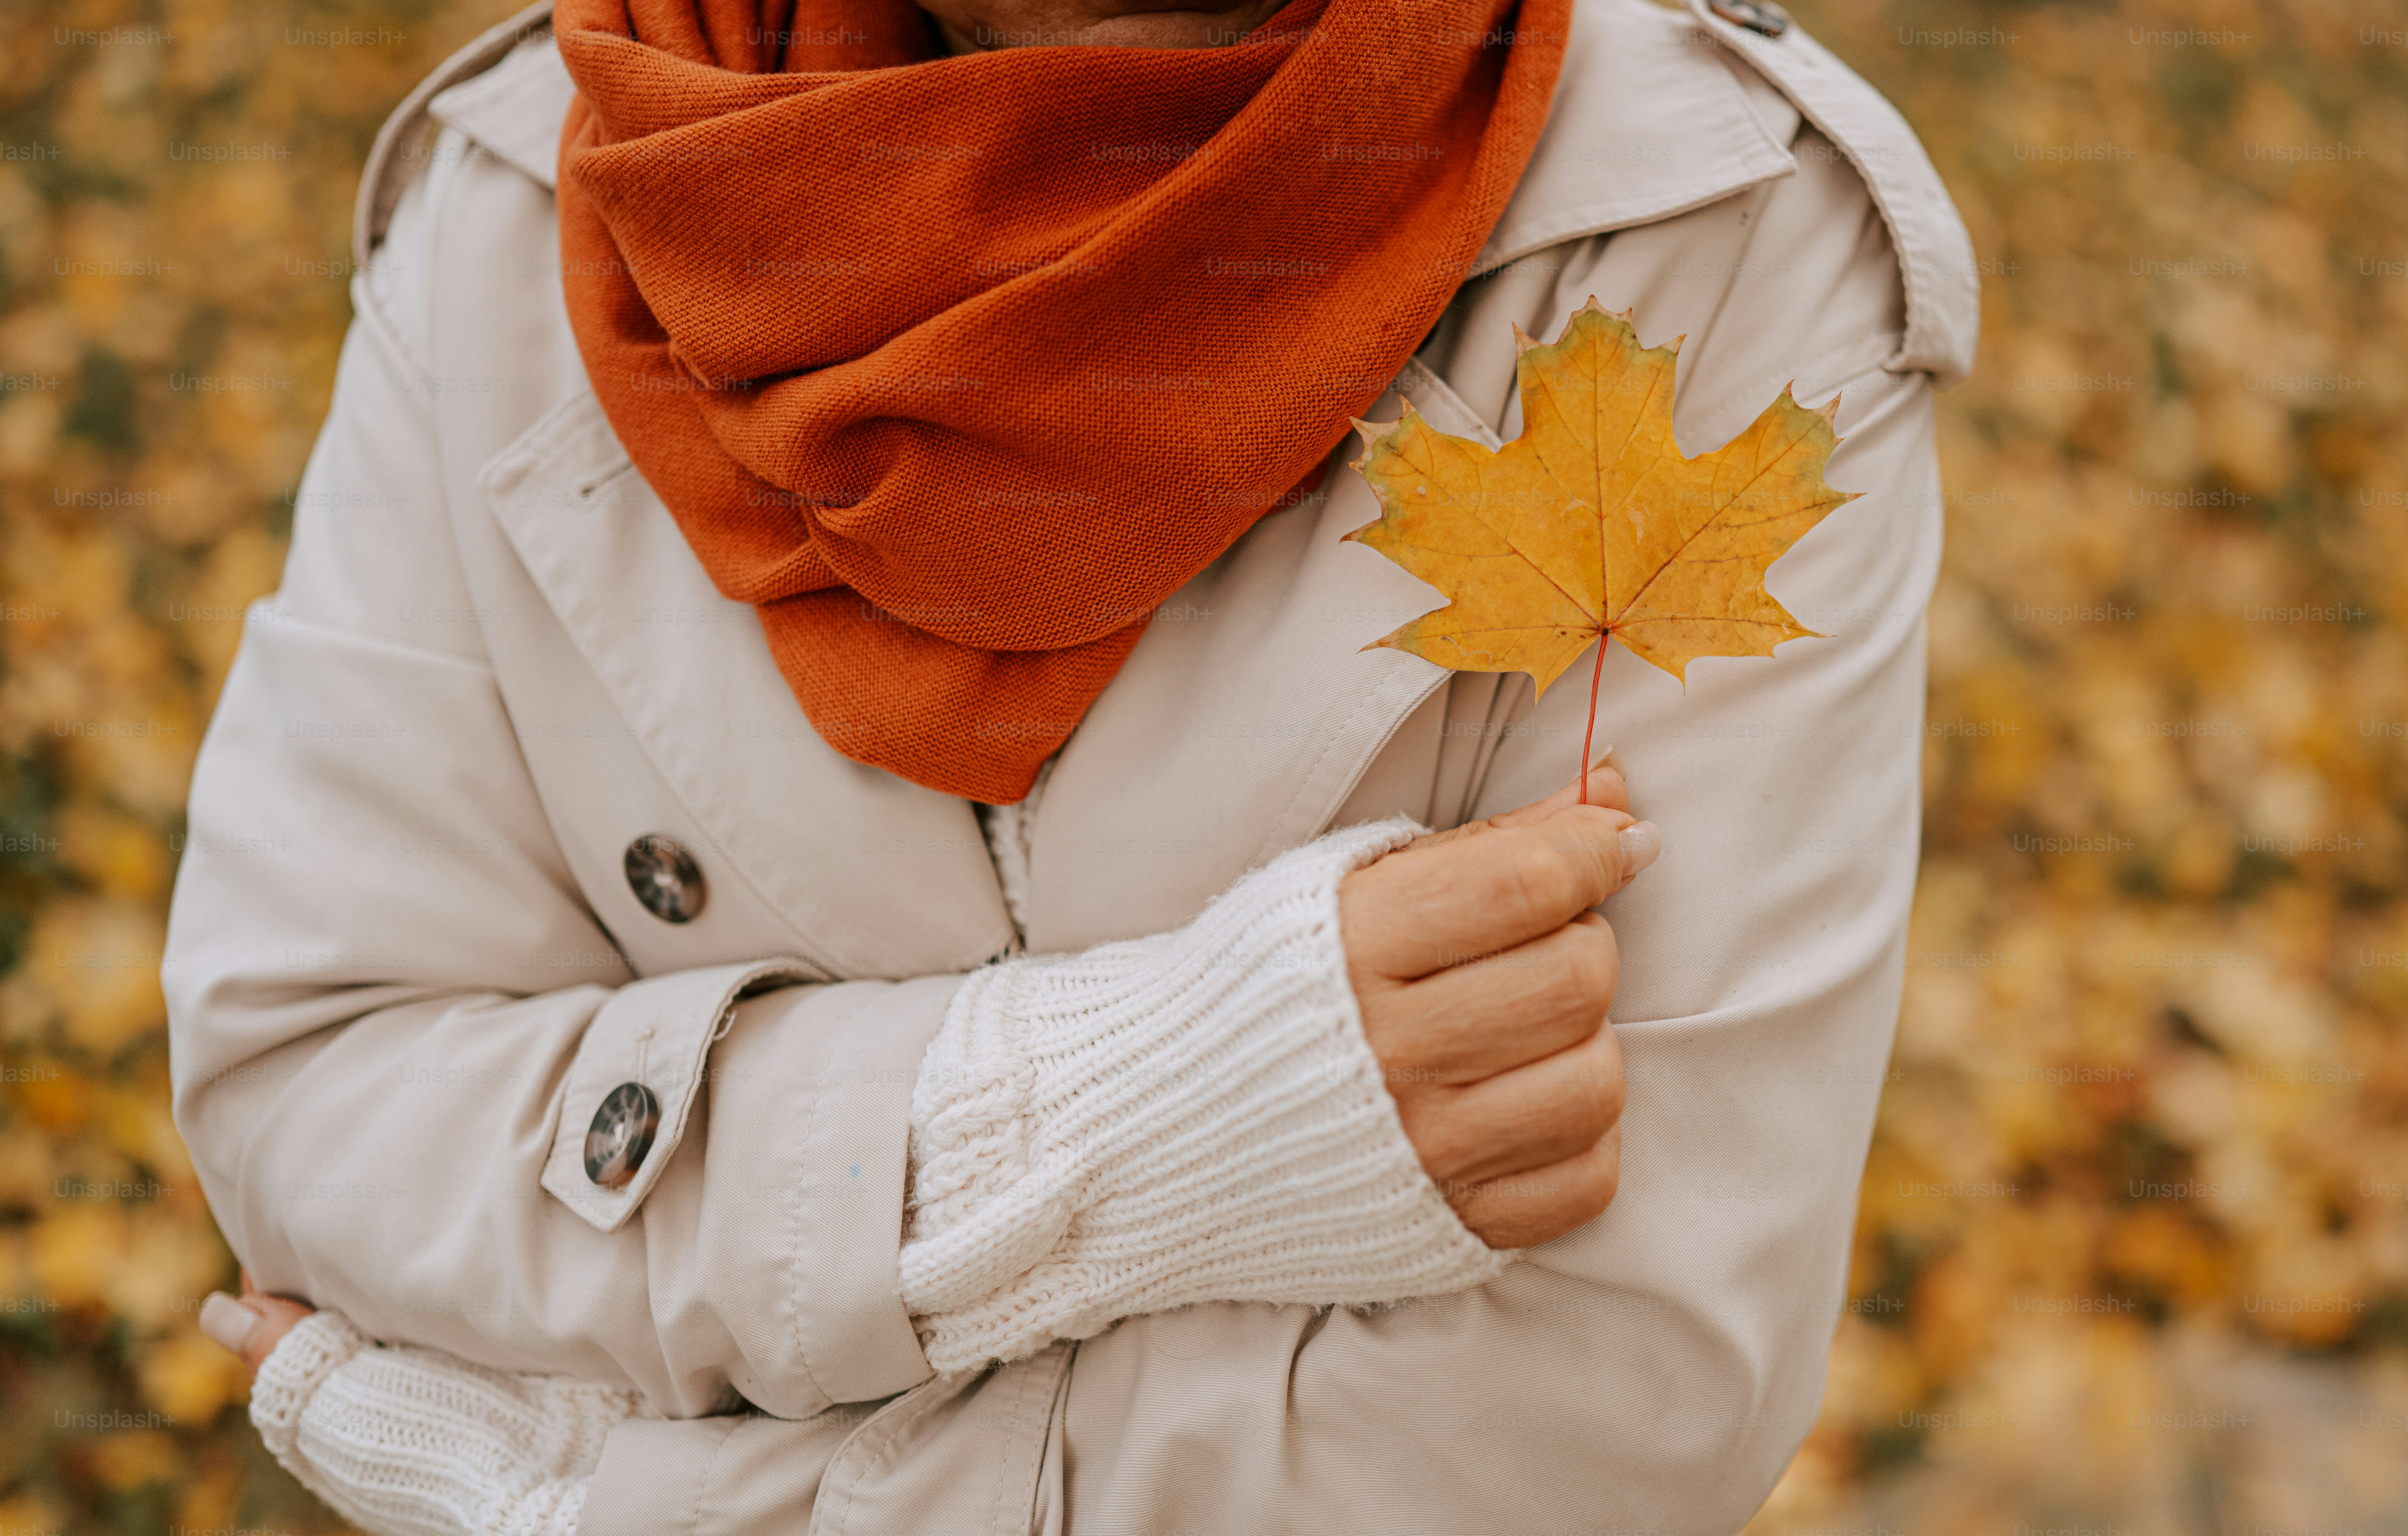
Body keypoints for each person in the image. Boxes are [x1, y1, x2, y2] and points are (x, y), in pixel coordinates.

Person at [165, 0, 1977, 1529]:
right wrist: (1107, 1117)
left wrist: (586, 1498)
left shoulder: (1703, 217)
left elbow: (1593, 1427)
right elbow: (313, 1096)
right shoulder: (523, 185)